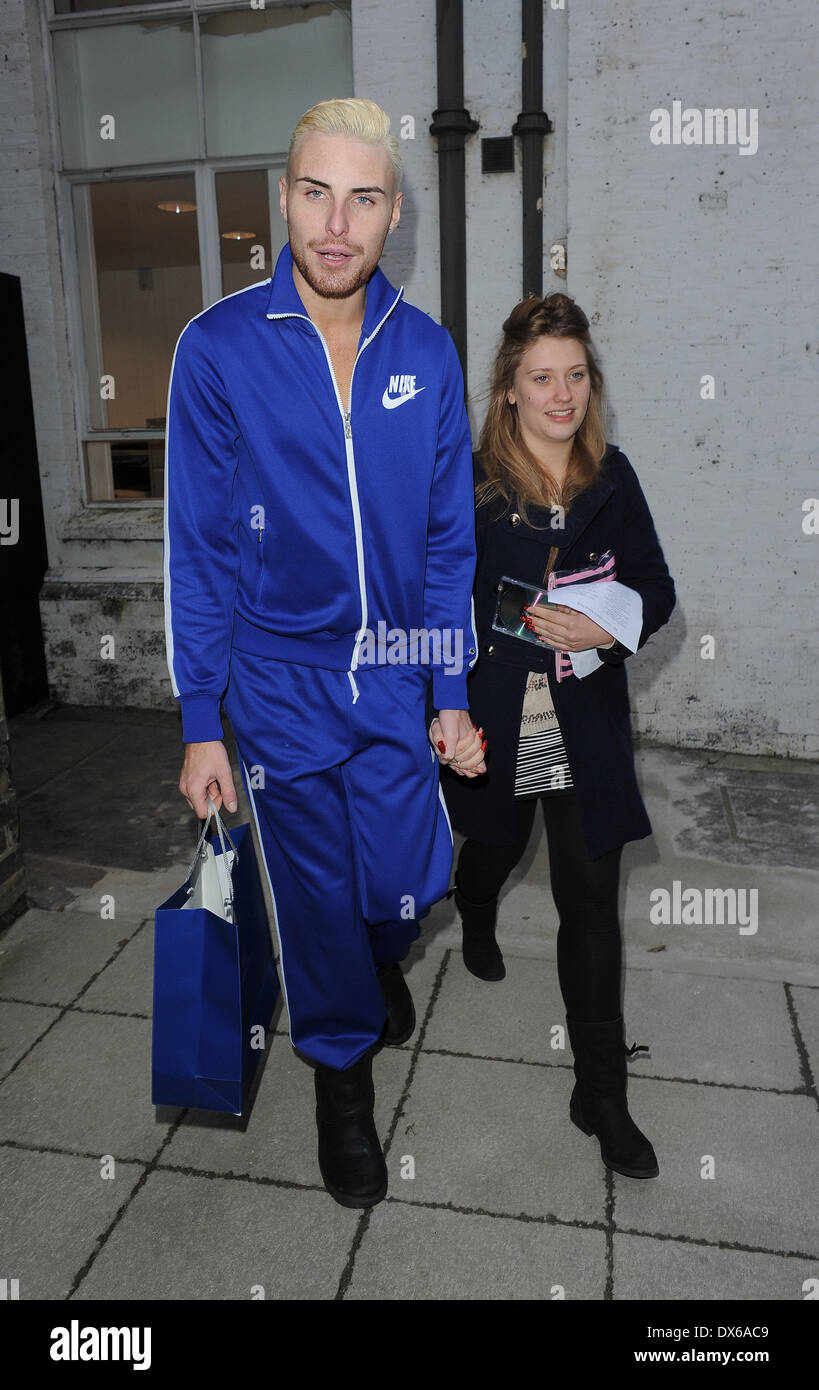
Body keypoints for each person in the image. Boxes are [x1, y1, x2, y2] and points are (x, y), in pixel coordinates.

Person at [163, 98, 485, 1209]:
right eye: (315, 193)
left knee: (409, 882)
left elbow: (449, 538)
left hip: (395, 667)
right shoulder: (216, 349)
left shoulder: (427, 350)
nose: (335, 223)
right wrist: (202, 716)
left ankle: (373, 954)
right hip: (280, 679)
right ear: (284, 199)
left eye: (362, 198)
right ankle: (341, 1083)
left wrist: (448, 688)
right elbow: (198, 547)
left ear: (394, 213)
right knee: (310, 892)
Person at [431, 292, 675, 1179]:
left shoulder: (615, 476)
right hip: (498, 711)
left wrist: (608, 623)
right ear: (509, 390)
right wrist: (441, 703)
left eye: (574, 375)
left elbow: (656, 586)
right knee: (497, 844)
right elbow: (439, 604)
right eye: (542, 378)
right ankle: (479, 903)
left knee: (588, 902)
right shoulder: (466, 486)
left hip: (583, 715)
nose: (560, 395)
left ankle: (600, 1096)